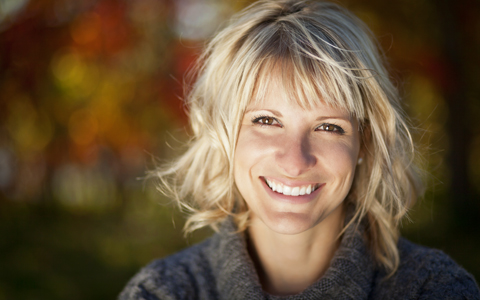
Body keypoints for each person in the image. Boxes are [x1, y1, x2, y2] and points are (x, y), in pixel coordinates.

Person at [119, 0, 480, 299]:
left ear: (364, 143)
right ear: (225, 133)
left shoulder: (434, 290)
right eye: (266, 120)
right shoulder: (161, 292)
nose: (295, 161)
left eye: (328, 127)